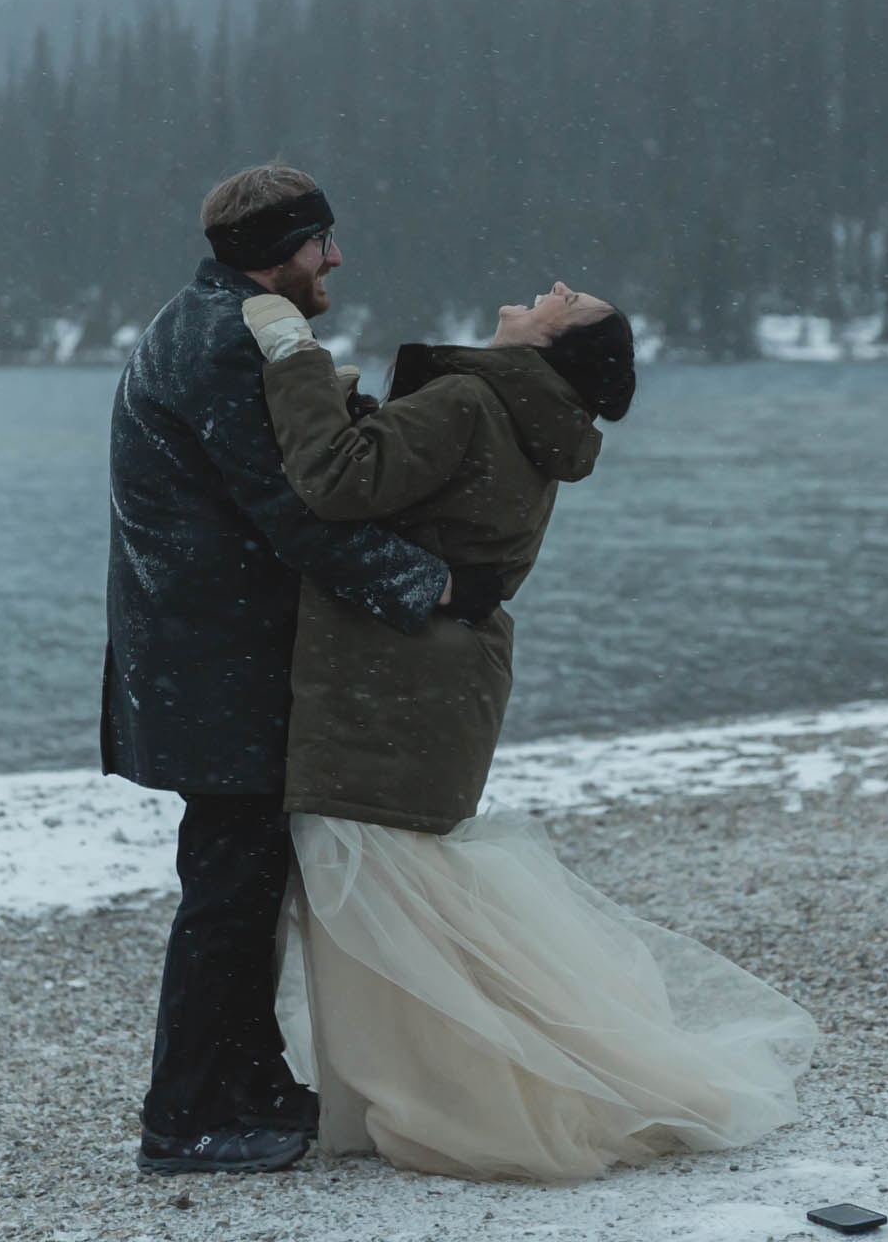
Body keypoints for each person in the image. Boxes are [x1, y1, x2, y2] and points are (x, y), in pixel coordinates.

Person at [240, 280, 819, 1182]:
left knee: (384, 895)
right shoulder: (520, 414)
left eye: (569, 300)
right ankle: (448, 1085)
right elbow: (409, 495)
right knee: (397, 893)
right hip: (437, 680)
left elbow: (338, 481)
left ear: (553, 347)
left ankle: (471, 1102)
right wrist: (352, 406)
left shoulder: (474, 398)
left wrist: (295, 360)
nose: (549, 288)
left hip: (389, 684)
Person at [102, 164, 486, 1176]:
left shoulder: (211, 317)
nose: (336, 258)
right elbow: (294, 510)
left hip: (200, 659)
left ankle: (252, 1085)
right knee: (228, 891)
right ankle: (181, 1119)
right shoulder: (231, 341)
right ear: (279, 252)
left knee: (247, 878)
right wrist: (429, 586)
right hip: (213, 667)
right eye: (323, 241)